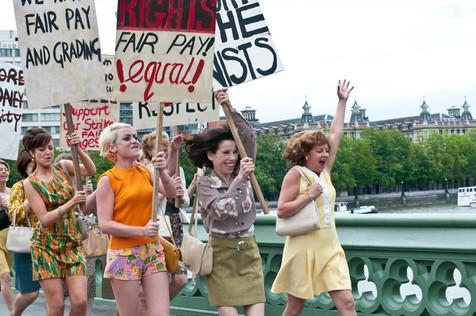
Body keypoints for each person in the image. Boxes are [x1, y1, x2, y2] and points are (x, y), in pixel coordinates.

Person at [271, 80, 356, 316]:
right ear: (307, 153)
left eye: (326, 150)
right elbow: (282, 211)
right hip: (303, 248)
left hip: (330, 246)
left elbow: (336, 132)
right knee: (295, 308)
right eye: (320, 151)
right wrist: (308, 196)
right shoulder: (295, 175)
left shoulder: (325, 171)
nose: (325, 154)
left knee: (347, 302)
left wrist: (342, 101)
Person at [184, 89, 265, 316]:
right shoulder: (205, 183)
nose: (232, 158)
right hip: (220, 254)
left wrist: (229, 106)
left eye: (235, 153)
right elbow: (221, 210)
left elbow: (248, 137)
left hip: (248, 250)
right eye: (226, 153)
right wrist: (240, 180)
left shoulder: (242, 169)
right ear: (211, 155)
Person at [96, 122, 177, 316]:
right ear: (112, 148)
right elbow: (104, 224)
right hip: (124, 254)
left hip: (152, 249)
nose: (134, 141)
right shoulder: (108, 179)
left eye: (134, 136)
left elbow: (171, 193)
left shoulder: (145, 170)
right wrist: (141, 230)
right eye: (127, 138)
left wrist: (163, 171)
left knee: (161, 314)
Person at [23, 128, 96, 316]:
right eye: (41, 149)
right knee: (56, 307)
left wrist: (77, 148)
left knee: (80, 302)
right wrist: (72, 202)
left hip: (72, 242)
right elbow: (45, 219)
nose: (48, 152)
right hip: (45, 247)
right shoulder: (30, 183)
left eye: (49, 147)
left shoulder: (63, 166)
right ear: (31, 153)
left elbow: (90, 170)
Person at [142, 131, 190, 300]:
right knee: (159, 281)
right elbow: (147, 203)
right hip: (157, 229)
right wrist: (166, 192)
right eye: (159, 149)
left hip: (175, 227)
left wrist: (181, 196)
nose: (164, 152)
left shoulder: (179, 169)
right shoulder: (145, 171)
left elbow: (185, 202)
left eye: (166, 148)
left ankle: (153, 308)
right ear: (149, 152)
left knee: (180, 279)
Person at [7, 151, 40, 316]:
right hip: (25, 244)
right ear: (24, 166)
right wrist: (30, 196)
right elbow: (14, 215)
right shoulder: (19, 186)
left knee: (55, 294)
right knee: (30, 293)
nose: (34, 168)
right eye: (31, 164)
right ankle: (15, 314)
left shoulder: (52, 184)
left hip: (50, 242)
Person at [0, 159, 14, 313]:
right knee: (5, 277)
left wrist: (9, 206)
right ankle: (14, 312)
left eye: (5, 169)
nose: (3, 171)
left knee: (2, 281)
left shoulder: (13, 192)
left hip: (11, 240)